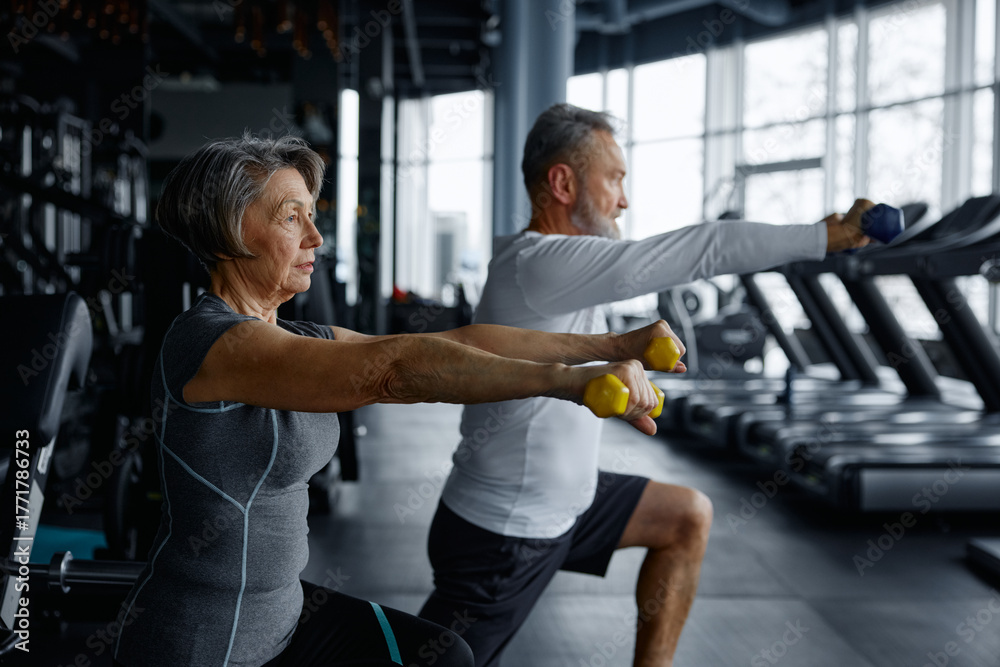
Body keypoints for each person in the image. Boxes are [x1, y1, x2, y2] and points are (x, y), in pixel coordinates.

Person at [110, 133, 686, 667]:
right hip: (204, 643)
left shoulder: (296, 338)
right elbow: (394, 372)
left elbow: (456, 341)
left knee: (442, 656)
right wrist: (570, 384)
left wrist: (612, 344)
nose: (316, 237)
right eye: (292, 218)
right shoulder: (211, 341)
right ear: (230, 230)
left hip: (282, 618)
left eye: (313, 216)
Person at [417, 103, 874, 667]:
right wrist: (822, 236)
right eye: (615, 179)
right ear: (562, 182)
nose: (624, 200)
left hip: (571, 505)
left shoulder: (562, 275)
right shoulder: (539, 264)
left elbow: (575, 361)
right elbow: (701, 249)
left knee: (686, 515)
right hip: (504, 534)